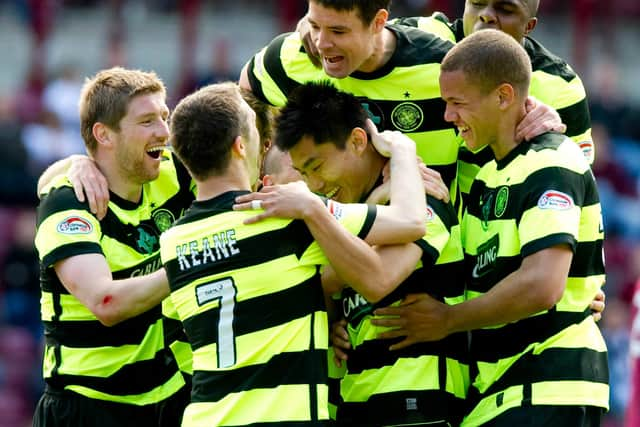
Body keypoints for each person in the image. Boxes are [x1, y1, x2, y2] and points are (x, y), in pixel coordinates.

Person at [372, 30, 608, 426]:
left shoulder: (550, 160)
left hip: (546, 385)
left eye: (457, 104)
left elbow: (543, 285)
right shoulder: (486, 178)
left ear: (503, 97)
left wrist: (448, 319)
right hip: (499, 392)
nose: (448, 117)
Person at [158, 81, 428, 425]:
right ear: (241, 146)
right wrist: (403, 151)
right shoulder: (284, 215)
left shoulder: (173, 241)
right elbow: (410, 220)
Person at [263, 81, 468, 426]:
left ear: (358, 141)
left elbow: (377, 279)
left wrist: (402, 151)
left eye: (317, 166)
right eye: (303, 173)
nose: (314, 186)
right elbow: (320, 282)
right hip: (356, 403)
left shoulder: (423, 196)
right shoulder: (351, 215)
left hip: (417, 404)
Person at [239, 0, 563, 206]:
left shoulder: (441, 67)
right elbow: (242, 105)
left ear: (379, 22)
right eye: (314, 25)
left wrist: (535, 117)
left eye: (338, 30)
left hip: (429, 261)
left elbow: (508, 113)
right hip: (332, 260)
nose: (322, 43)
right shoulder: (289, 58)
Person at [33, 67, 192, 427]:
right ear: (104, 134)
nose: (164, 132)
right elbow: (106, 302)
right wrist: (194, 260)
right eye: (147, 121)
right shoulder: (68, 203)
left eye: (164, 117)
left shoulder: (170, 173)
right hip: (86, 406)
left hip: (164, 398)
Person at [388, 0, 594, 207]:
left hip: (498, 229)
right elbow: (363, 40)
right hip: (417, 224)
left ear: (528, 26)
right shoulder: (411, 40)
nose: (486, 15)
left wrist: (552, 141)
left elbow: (579, 187)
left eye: (505, 9)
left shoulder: (560, 86)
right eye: (477, 3)